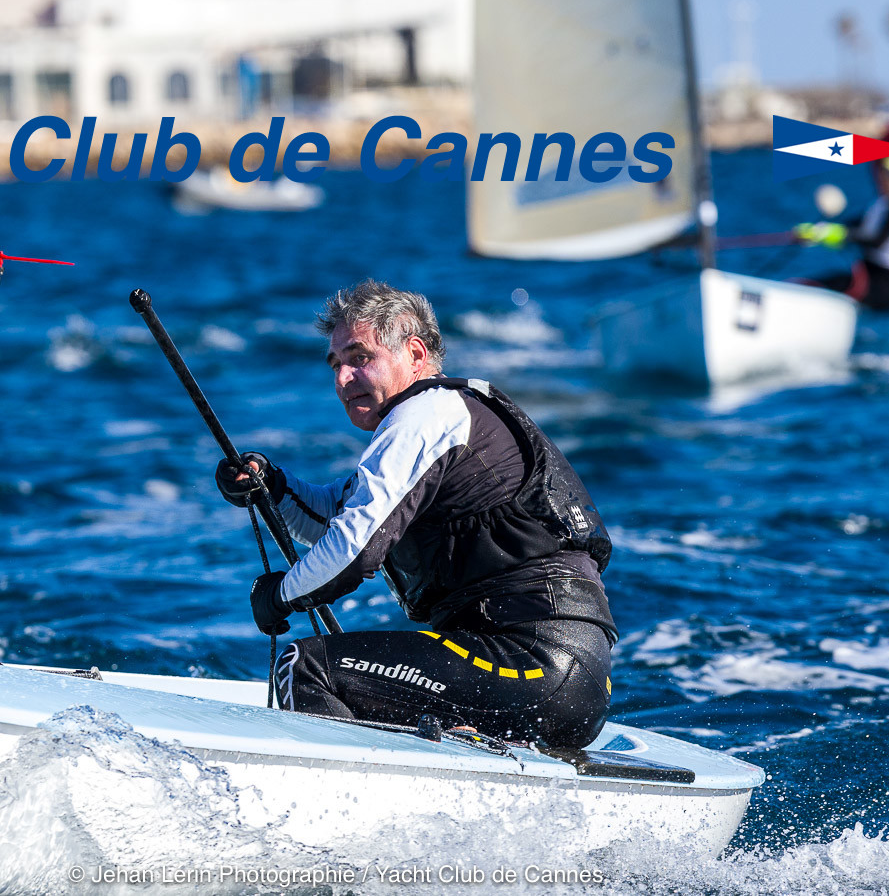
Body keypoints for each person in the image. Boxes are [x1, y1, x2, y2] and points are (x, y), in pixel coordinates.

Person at [215, 280, 616, 750]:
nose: (343, 379)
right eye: (336, 365)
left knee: (305, 667)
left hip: (532, 662)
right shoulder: (435, 422)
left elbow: (354, 548)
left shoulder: (427, 415)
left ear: (416, 354)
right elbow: (332, 521)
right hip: (566, 678)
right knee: (355, 680)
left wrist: (280, 596)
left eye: (359, 358)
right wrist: (272, 487)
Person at [795, 153, 889, 312]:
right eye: (884, 172)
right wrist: (818, 232)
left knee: (815, 287)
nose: (886, 178)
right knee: (814, 284)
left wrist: (835, 235)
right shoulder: (883, 204)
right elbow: (853, 227)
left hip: (887, 285)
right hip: (873, 277)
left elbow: (877, 241)